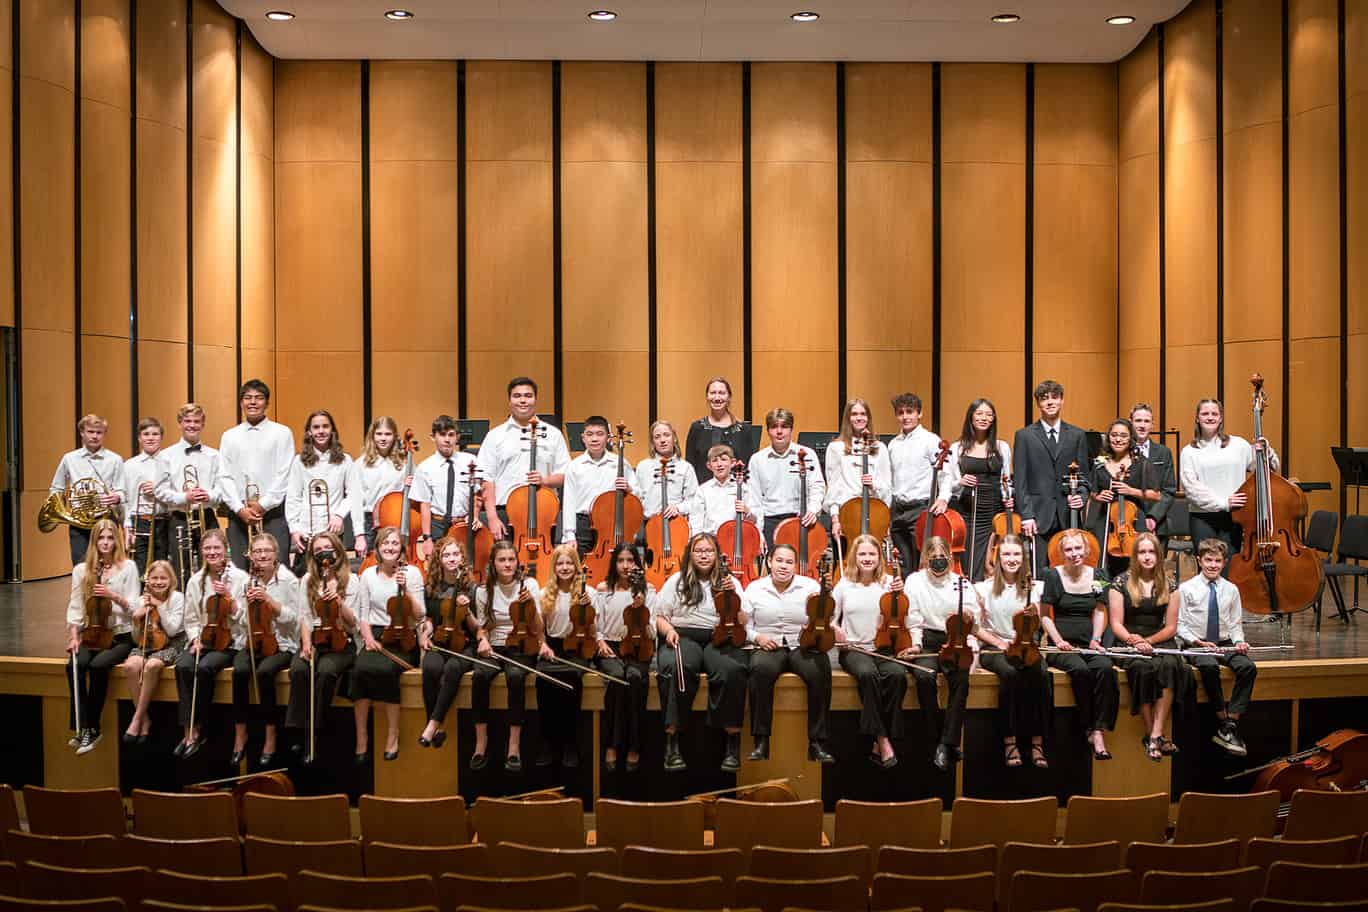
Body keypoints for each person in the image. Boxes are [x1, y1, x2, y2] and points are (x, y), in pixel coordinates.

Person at [654, 532, 750, 772]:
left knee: (733, 669)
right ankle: (672, 743)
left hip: (719, 635)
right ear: (690, 554)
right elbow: (660, 617)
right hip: (683, 634)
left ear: (717, 555)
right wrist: (668, 632)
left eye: (709, 551)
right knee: (676, 667)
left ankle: (732, 741)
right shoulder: (676, 581)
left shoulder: (731, 582)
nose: (704, 555)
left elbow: (743, 619)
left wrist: (732, 597)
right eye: (699, 551)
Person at [743, 544, 835, 765]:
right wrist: (758, 638)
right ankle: (761, 741)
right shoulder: (755, 588)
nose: (783, 566)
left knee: (819, 669)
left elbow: (827, 618)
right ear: (769, 562)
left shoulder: (810, 586)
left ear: (796, 565)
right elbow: (743, 626)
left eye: (789, 562)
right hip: (769, 644)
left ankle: (816, 743)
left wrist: (824, 600)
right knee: (760, 670)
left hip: (800, 645)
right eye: (779, 560)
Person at [972, 534, 1050, 769]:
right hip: (995, 649)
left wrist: (1033, 616)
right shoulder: (982, 588)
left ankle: (1037, 742)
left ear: (1023, 558)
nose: (1012, 559)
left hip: (1024, 646)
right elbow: (975, 627)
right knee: (1010, 675)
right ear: (998, 558)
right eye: (1006, 554)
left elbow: (1037, 625)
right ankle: (1010, 741)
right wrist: (999, 643)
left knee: (1042, 675)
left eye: (1016, 554)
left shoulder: (1034, 588)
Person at [1040, 528, 1118, 760]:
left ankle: (1098, 729)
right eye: (1069, 549)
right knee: (1081, 671)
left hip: (1089, 643)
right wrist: (1059, 640)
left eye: (1078, 548)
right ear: (1062, 553)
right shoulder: (1051, 575)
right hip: (1061, 646)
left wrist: (1096, 639)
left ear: (1086, 549)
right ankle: (1088, 727)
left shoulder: (1100, 574)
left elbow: (1100, 610)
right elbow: (1045, 615)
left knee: (1105, 668)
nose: (1074, 553)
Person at [1108, 532, 1186, 762]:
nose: (1147, 556)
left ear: (1158, 555)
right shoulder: (1120, 582)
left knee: (1171, 665)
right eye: (1142, 552)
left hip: (1159, 637)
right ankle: (1153, 734)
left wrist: (1149, 642)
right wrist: (1136, 641)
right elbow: (1115, 624)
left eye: (1151, 552)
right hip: (1129, 638)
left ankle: (1155, 734)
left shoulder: (1170, 585)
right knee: (1143, 669)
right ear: (1135, 556)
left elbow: (1171, 627)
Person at [65, 517, 140, 755]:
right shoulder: (82, 570)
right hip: (92, 633)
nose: (105, 543)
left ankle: (92, 728)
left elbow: (135, 607)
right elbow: (76, 605)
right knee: (75, 663)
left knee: (98, 666)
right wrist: (74, 635)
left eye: (109, 538)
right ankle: (81, 726)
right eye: (101, 538)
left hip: (120, 635)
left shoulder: (128, 567)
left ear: (116, 540)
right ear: (94, 542)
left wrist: (113, 596)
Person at [1176, 538, 1257, 756]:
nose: (1213, 565)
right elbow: (1180, 625)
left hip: (1224, 642)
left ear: (1224, 562)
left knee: (1248, 668)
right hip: (1197, 643)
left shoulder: (1231, 589)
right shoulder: (1186, 589)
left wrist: (1239, 641)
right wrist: (1198, 642)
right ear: (1199, 560)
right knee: (1209, 667)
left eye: (1218, 561)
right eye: (1208, 560)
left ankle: (1231, 722)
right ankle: (1222, 718)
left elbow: (1235, 623)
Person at [832, 534, 907, 768]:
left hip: (882, 648)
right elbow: (830, 619)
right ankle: (883, 739)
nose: (867, 558)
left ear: (879, 557)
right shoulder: (844, 583)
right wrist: (837, 632)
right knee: (867, 675)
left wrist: (900, 593)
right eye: (862, 553)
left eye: (872, 554)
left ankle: (880, 737)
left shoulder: (889, 583)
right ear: (855, 556)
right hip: (853, 649)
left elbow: (903, 614)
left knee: (897, 674)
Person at [470, 539, 544, 772]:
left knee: (515, 677)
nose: (508, 564)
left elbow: (539, 628)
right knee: (480, 676)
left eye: (511, 559)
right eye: (502, 560)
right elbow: (482, 628)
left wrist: (531, 606)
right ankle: (481, 743)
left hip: (521, 645)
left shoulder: (529, 585)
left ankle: (513, 746)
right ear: (493, 563)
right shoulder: (483, 590)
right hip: (494, 647)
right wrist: (482, 640)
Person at [351, 526, 423, 764]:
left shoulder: (412, 573)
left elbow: (420, 614)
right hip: (377, 634)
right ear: (378, 548)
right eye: (385, 544)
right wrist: (368, 638)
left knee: (386, 670)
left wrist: (407, 590)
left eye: (394, 544)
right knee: (359, 671)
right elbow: (363, 613)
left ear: (401, 548)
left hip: (404, 636)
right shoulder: (367, 575)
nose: (390, 548)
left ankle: (393, 734)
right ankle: (361, 736)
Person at [905, 535, 977, 772]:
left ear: (950, 557)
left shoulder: (961, 583)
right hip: (925, 639)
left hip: (953, 639)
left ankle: (945, 744)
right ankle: (942, 740)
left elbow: (973, 619)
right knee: (924, 677)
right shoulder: (914, 581)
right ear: (926, 558)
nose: (938, 562)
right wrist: (916, 645)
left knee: (961, 681)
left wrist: (967, 617)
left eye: (942, 558)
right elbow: (912, 617)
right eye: (933, 558)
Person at [175, 528, 249, 759]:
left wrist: (229, 597)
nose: (212, 552)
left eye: (216, 547)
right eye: (207, 548)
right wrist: (196, 639)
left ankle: (201, 726)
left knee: (206, 668)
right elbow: (191, 617)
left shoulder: (240, 578)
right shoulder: (196, 581)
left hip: (231, 641)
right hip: (204, 640)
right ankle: (190, 729)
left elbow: (245, 618)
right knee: (183, 665)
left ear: (226, 549)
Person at [1179, 398, 1280, 565]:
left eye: (1214, 414)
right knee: (1207, 569)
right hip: (1203, 518)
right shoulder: (1189, 452)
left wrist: (1266, 451)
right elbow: (1191, 489)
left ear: (1221, 418)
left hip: (1233, 517)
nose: (1210, 417)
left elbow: (1270, 468)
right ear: (1197, 418)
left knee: (1230, 567)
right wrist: (1224, 503)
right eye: (1205, 413)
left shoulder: (1238, 445)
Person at [286, 531, 360, 759]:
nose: (323, 553)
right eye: (317, 550)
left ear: (337, 550)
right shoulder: (308, 580)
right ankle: (297, 731)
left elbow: (354, 622)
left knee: (326, 671)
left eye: (327, 548)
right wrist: (306, 644)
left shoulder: (352, 579)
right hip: (317, 638)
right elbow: (304, 616)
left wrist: (338, 602)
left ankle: (315, 733)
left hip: (341, 639)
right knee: (299, 669)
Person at [233, 533, 301, 768]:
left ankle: (270, 736)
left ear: (275, 555)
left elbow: (295, 620)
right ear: (251, 556)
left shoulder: (289, 580)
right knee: (240, 671)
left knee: (264, 673)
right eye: (257, 551)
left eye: (267, 551)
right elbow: (240, 621)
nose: (262, 555)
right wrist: (246, 607)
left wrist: (270, 601)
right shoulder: (247, 582)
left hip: (282, 643)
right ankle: (240, 734)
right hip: (253, 641)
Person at [1013, 380, 1091, 569]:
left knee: (1069, 570)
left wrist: (1081, 495)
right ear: (1038, 403)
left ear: (1062, 400)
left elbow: (1084, 478)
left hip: (1068, 514)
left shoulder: (1077, 435)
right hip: (1038, 516)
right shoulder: (1024, 436)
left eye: (1054, 397)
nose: (1050, 402)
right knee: (1039, 571)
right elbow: (1020, 480)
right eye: (1044, 398)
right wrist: (1027, 515)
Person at [219, 380, 295, 568]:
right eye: (247, 398)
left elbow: (284, 473)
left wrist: (263, 505)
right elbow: (224, 476)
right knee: (240, 572)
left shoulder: (282, 433)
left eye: (259, 398)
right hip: (239, 515)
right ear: (241, 402)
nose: (253, 402)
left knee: (277, 569)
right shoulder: (229, 436)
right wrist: (239, 509)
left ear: (267, 403)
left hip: (272, 514)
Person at [594, 542, 656, 772]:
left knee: (636, 679)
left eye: (630, 560)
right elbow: (596, 624)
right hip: (610, 646)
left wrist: (641, 611)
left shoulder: (647, 590)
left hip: (639, 646)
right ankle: (611, 744)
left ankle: (634, 745)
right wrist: (599, 641)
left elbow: (651, 631)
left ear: (637, 564)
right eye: (621, 560)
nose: (626, 565)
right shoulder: (603, 589)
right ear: (614, 563)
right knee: (617, 679)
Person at [418, 536, 477, 749]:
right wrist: (425, 636)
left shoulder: (472, 587)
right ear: (439, 559)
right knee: (431, 667)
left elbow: (478, 628)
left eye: (455, 554)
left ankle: (432, 726)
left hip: (465, 644)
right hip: (441, 640)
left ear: (462, 558)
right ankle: (435, 727)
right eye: (446, 555)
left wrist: (467, 609)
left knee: (452, 668)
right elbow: (432, 619)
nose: (451, 559)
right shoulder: (432, 587)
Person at [535, 543, 590, 768]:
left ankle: (570, 743)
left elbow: (592, 631)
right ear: (554, 566)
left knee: (572, 681)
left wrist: (588, 611)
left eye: (569, 562)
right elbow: (539, 629)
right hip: (553, 647)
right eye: (560, 563)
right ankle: (547, 743)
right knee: (543, 681)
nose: (565, 567)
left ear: (576, 566)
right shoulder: (544, 593)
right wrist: (543, 644)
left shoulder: (588, 592)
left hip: (577, 647)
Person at [285, 410, 364, 568]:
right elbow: (293, 497)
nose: (321, 431)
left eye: (325, 426)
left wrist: (339, 515)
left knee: (336, 582)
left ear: (332, 430)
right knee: (306, 585)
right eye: (316, 427)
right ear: (309, 432)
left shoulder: (345, 460)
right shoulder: (299, 461)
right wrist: (294, 529)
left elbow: (354, 495)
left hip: (333, 535)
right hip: (307, 534)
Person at [1085, 418, 1160, 578]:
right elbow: (1092, 491)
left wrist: (1131, 491)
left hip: (1132, 521)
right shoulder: (1099, 463)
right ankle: (1104, 599)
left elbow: (1155, 495)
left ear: (1131, 438)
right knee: (1102, 564)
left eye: (1123, 436)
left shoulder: (1141, 463)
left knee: (1135, 566)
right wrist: (1099, 496)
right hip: (1105, 521)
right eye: (1114, 435)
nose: (1118, 439)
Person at [121, 560, 184, 747]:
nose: (158, 582)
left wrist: (159, 606)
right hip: (147, 643)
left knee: (152, 665)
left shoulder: (177, 597)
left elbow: (172, 630)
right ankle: (145, 718)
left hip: (172, 644)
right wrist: (135, 620)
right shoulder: (142, 600)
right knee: (131, 665)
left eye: (163, 578)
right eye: (154, 578)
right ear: (148, 580)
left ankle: (136, 718)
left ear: (171, 579)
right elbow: (135, 638)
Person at [156, 403, 223, 580]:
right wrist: (184, 496)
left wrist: (209, 495)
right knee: (181, 570)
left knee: (213, 565)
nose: (192, 425)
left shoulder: (214, 455)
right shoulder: (166, 455)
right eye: (187, 421)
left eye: (196, 421)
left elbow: (222, 488)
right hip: (179, 518)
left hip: (207, 516)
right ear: (180, 423)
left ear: (203, 424)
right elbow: (160, 490)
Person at [948, 399, 1013, 581]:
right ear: (971, 417)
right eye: (979, 413)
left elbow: (1006, 480)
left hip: (993, 514)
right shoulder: (957, 448)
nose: (984, 418)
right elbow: (948, 485)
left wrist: (1009, 496)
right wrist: (960, 481)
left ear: (993, 420)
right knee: (968, 562)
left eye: (988, 414)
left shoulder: (1002, 447)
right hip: (967, 514)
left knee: (990, 564)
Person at [887, 393, 949, 576]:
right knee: (903, 563)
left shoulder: (931, 440)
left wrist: (943, 498)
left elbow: (946, 473)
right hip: (898, 510)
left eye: (910, 412)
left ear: (919, 414)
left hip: (921, 508)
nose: (905, 417)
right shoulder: (892, 444)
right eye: (900, 413)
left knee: (923, 561)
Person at [52, 414, 126, 565]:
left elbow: (122, 490)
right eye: (90, 432)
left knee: (107, 564)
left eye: (99, 432)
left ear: (104, 434)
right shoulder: (69, 458)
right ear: (82, 433)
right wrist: (60, 509)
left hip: (106, 519)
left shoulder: (115, 459)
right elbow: (56, 488)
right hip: (79, 521)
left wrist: (117, 497)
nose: (95, 436)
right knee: (81, 565)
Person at [748, 408, 826, 549]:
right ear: (768, 431)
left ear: (791, 429)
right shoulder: (757, 459)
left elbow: (817, 486)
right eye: (774, 427)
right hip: (770, 522)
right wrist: (758, 530)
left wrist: (812, 510)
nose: (779, 431)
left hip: (801, 520)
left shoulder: (807, 454)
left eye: (784, 427)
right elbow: (754, 499)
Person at [561, 417, 639, 556]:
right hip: (583, 524)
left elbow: (638, 496)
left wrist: (629, 488)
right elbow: (569, 502)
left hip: (610, 523)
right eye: (589, 434)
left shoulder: (620, 463)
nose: (594, 439)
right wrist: (569, 535)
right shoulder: (574, 466)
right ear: (583, 438)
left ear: (608, 438)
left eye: (600, 434)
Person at [825, 398, 892, 547]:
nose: (859, 418)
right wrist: (835, 519)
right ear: (847, 418)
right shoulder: (836, 448)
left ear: (868, 418)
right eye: (854, 414)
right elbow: (833, 488)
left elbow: (887, 487)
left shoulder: (879, 448)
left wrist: (873, 484)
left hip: (874, 514)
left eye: (863, 414)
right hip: (846, 514)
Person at [413, 415, 475, 553]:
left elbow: (478, 494)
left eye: (451, 435)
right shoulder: (425, 467)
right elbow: (425, 504)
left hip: (463, 523)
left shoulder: (470, 461)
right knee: (438, 568)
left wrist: (474, 515)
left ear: (457, 437)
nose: (447, 440)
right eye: (442, 435)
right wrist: (427, 538)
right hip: (437, 525)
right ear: (432, 437)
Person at [684, 377, 755, 483]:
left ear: (729, 397)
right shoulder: (697, 428)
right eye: (712, 393)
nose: (717, 397)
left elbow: (749, 466)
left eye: (722, 393)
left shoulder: (744, 430)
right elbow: (690, 466)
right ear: (707, 397)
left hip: (735, 492)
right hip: (704, 492)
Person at [352, 416, 407, 552]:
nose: (383, 438)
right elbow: (356, 501)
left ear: (394, 436)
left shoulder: (404, 463)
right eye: (379, 434)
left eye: (388, 434)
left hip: (395, 520)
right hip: (369, 522)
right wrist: (359, 535)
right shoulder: (360, 464)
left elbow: (416, 494)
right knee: (368, 565)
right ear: (372, 435)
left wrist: (411, 484)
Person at [124, 417, 169, 577]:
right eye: (146, 434)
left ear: (161, 437)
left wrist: (159, 489)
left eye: (155, 434)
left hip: (164, 521)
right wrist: (127, 527)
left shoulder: (169, 461)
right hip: (140, 521)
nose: (150, 438)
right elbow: (127, 499)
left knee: (163, 568)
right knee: (139, 568)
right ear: (139, 438)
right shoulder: (129, 465)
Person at [687, 445, 762, 537]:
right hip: (711, 541)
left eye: (723, 459)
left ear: (733, 462)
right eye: (715, 461)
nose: (719, 464)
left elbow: (756, 520)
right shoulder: (703, 490)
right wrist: (697, 540)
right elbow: (696, 520)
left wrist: (748, 512)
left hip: (736, 538)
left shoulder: (743, 488)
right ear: (709, 466)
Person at [1128, 404, 1177, 545]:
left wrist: (1153, 516)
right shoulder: (1121, 451)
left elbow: (1169, 491)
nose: (1142, 425)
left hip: (1157, 524)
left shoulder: (1163, 452)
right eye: (1138, 421)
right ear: (1130, 422)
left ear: (1152, 425)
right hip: (1128, 524)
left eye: (1146, 421)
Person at [636, 420, 698, 524]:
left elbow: (694, 501)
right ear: (653, 442)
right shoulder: (643, 467)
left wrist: (678, 508)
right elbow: (637, 498)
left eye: (666, 435)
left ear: (674, 438)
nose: (662, 440)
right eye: (657, 437)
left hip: (676, 522)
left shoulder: (686, 467)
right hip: (649, 523)